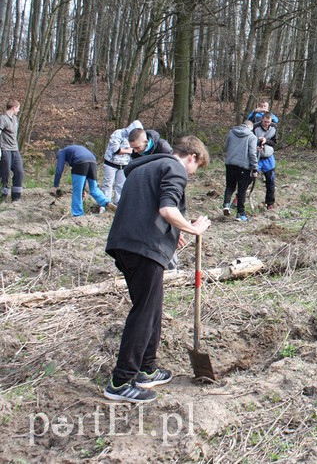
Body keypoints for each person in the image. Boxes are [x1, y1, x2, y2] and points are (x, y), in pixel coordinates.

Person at [104, 136, 211, 403]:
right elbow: (166, 208)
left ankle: (146, 369)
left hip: (125, 244)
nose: (193, 173)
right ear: (192, 157)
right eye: (196, 168)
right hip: (144, 248)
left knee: (151, 307)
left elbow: (148, 208)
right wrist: (192, 227)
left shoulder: (143, 168)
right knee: (144, 312)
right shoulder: (175, 168)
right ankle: (120, 381)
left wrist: (175, 232)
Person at [53, 145, 114, 216]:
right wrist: (83, 190)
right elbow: (88, 161)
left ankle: (78, 215)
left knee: (77, 192)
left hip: (79, 162)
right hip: (92, 162)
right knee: (94, 189)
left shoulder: (61, 152)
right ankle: (107, 202)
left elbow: (59, 170)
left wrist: (55, 185)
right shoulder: (75, 149)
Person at [222, 120, 258, 222]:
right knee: (242, 190)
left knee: (230, 186)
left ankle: (226, 204)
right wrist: (255, 167)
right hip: (244, 167)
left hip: (230, 164)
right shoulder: (252, 137)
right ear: (251, 127)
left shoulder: (231, 132)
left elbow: (226, 147)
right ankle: (240, 214)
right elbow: (252, 154)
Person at [102, 120, 143, 205]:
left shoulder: (136, 139)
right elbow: (115, 150)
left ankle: (117, 206)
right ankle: (104, 205)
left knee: (120, 187)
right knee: (107, 185)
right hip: (111, 164)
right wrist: (130, 150)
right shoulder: (118, 133)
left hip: (124, 165)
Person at [252, 112, 278, 210]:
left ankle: (270, 203)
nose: (267, 124)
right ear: (262, 119)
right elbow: (250, 140)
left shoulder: (274, 127)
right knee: (249, 179)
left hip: (268, 158)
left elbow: (274, 142)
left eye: (268, 122)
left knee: (270, 181)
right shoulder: (255, 127)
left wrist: (265, 140)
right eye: (265, 122)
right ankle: (238, 199)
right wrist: (256, 146)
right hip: (256, 157)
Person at [0, 100, 23, 202]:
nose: (19, 110)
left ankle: (16, 198)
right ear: (13, 108)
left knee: (19, 172)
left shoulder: (15, 119)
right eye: (18, 108)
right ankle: (2, 197)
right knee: (5, 174)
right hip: (5, 150)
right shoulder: (3, 119)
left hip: (15, 149)